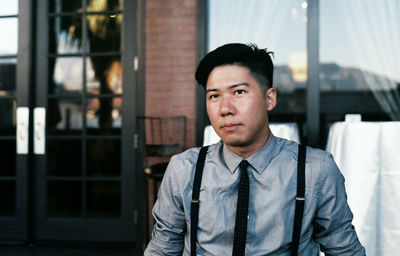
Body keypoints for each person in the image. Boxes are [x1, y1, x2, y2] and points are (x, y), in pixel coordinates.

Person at [144, 43, 365, 255]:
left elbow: (344, 250)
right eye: (214, 96)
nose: (225, 109)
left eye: (238, 92)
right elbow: (163, 249)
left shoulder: (315, 170)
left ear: (269, 99)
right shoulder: (185, 169)